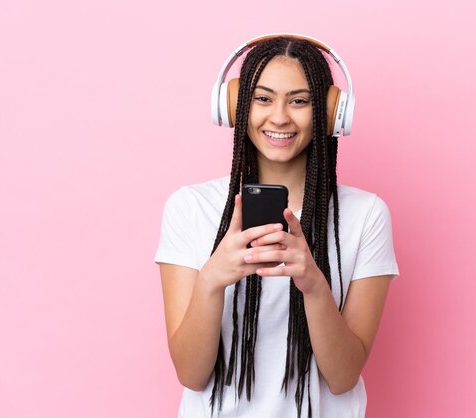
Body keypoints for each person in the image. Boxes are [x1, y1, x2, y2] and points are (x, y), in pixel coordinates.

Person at [154, 34, 399, 418]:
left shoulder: (366, 215)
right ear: (234, 107)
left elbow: (343, 376)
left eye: (299, 101)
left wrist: (314, 284)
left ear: (330, 111)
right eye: (263, 98)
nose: (280, 117)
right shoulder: (190, 208)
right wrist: (211, 280)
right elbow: (191, 373)